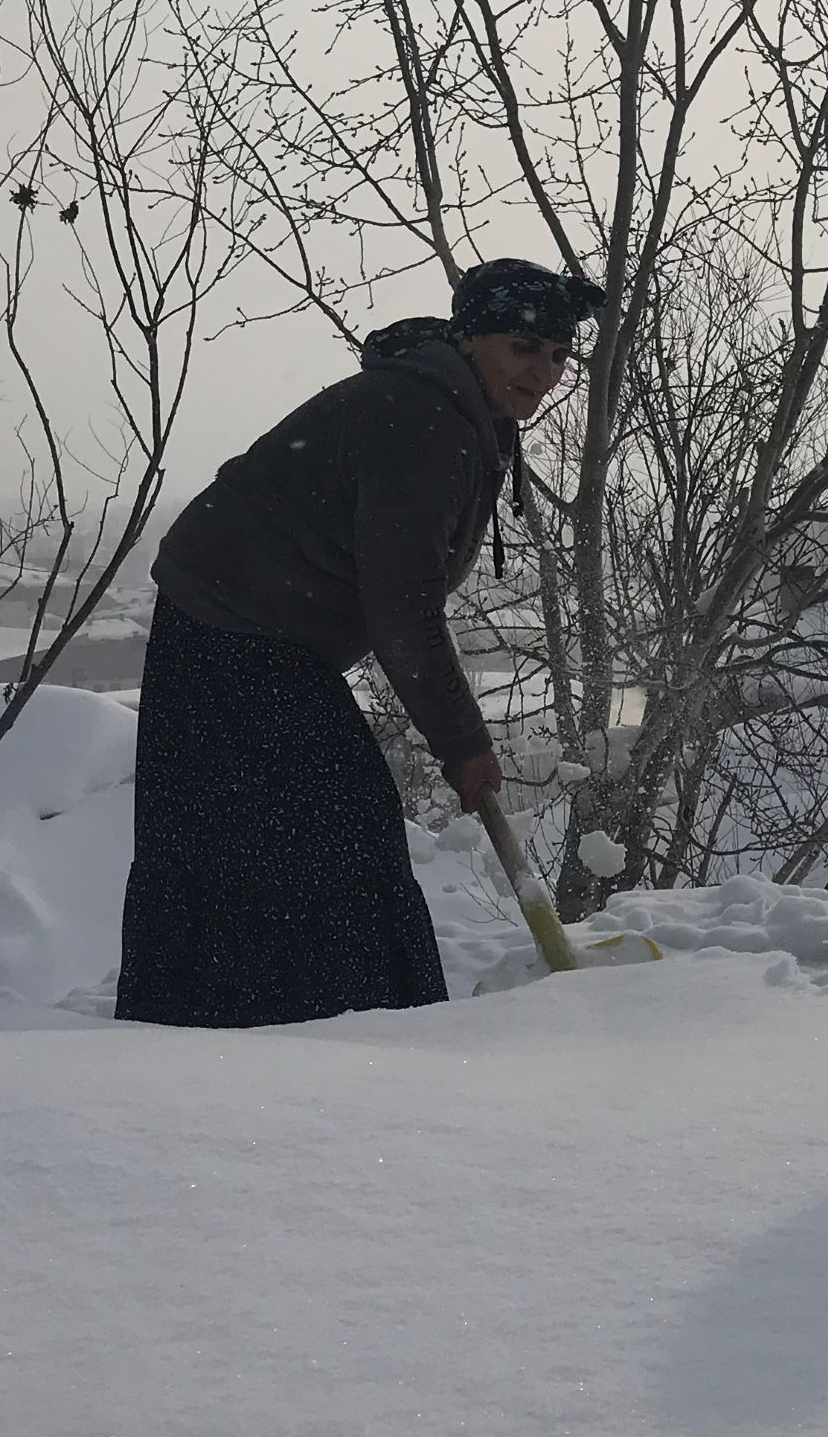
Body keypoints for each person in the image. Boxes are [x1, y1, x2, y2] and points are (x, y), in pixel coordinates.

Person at [115, 258, 604, 1025]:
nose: (544, 374)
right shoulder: (426, 421)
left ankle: (250, 1014)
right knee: (337, 836)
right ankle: (356, 1025)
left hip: (249, 632)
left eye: (559, 355)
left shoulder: (454, 409)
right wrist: (464, 743)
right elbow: (403, 607)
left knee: (263, 837)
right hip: (232, 630)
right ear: (472, 341)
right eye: (524, 347)